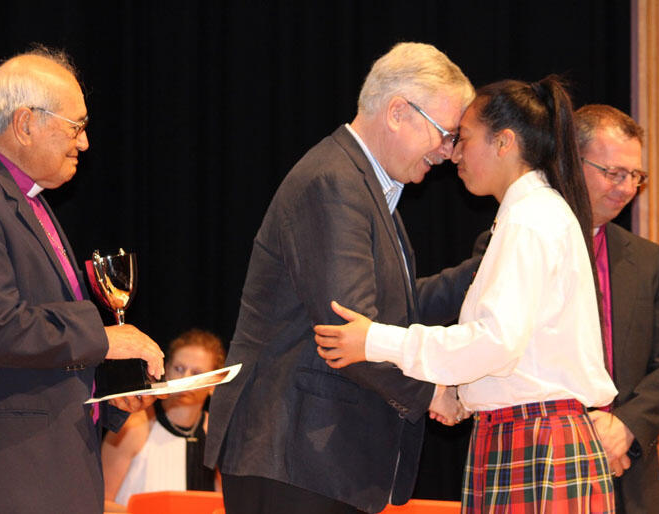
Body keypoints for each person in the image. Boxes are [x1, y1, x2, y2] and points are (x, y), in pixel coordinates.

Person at [315, 76, 619, 513]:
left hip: (534, 440)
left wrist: (375, 340)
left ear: (504, 142)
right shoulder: (529, 215)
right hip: (521, 433)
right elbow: (511, 347)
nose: (454, 153)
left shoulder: (530, 220)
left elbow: (495, 342)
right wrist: (458, 391)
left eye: (465, 138)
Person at [204, 42, 479, 514]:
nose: (448, 151)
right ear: (397, 112)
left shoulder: (364, 184)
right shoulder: (334, 182)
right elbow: (347, 330)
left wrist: (483, 273)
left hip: (313, 460)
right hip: (292, 454)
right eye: (445, 133)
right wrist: (433, 391)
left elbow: (396, 309)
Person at [0, 46, 165, 514]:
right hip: (9, 476)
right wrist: (105, 339)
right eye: (76, 126)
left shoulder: (27, 197)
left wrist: (103, 396)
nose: (84, 143)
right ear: (26, 124)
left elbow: (41, 350)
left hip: (51, 467)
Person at [575, 104, 659, 514]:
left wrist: (624, 427)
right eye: (614, 174)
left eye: (635, 176)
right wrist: (586, 435)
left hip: (630, 478)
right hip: (549, 467)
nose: (626, 188)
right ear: (573, 162)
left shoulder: (647, 259)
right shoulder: (516, 241)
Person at [102, 328, 226, 511]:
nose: (185, 379)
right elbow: (97, 503)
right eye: (179, 369)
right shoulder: (135, 426)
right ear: (166, 371)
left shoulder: (217, 434)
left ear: (214, 384)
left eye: (196, 373)